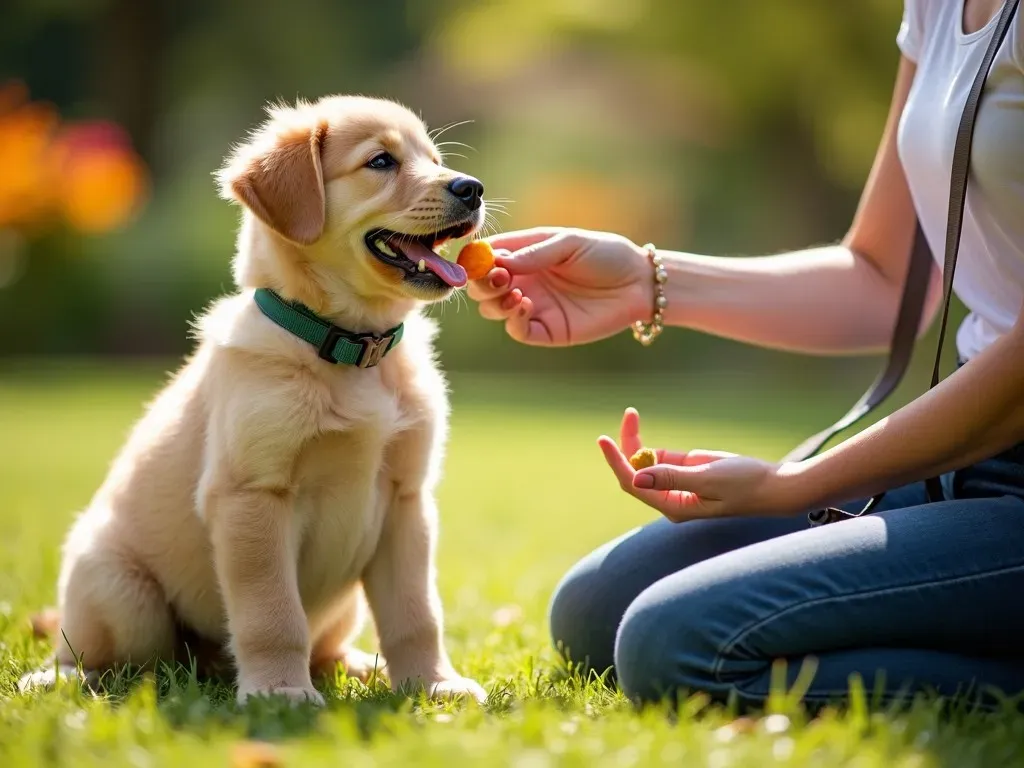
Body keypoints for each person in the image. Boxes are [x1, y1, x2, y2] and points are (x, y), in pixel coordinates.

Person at [467, 0, 1024, 710]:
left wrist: (799, 484)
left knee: (677, 643)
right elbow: (883, 279)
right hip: (974, 460)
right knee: (596, 607)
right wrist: (644, 279)